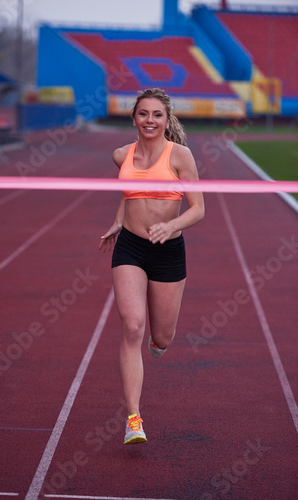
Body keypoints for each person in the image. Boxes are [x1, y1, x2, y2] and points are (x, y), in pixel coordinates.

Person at [99, 88, 205, 444]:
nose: (149, 120)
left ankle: (160, 343)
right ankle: (134, 419)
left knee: (160, 336)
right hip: (130, 248)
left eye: (156, 114)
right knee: (132, 326)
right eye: (143, 114)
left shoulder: (181, 156)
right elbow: (130, 191)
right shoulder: (121, 155)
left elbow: (198, 208)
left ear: (166, 119)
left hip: (168, 250)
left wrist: (170, 226)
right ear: (133, 118)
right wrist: (119, 220)